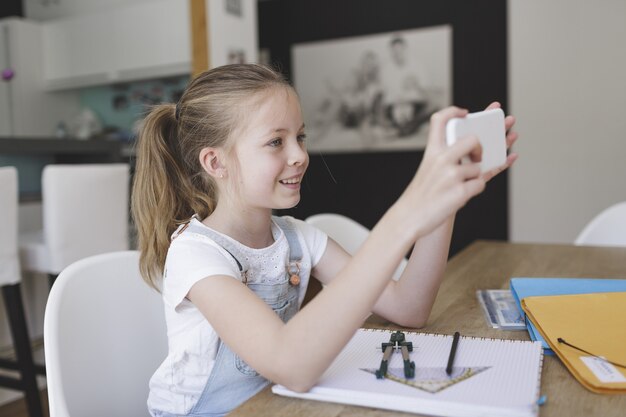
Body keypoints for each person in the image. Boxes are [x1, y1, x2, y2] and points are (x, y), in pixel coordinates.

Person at [131, 63, 518, 417]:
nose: (300, 155)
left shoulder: (299, 239)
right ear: (216, 163)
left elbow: (410, 307)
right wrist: (407, 214)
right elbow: (290, 364)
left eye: (300, 136)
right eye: (275, 142)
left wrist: (443, 204)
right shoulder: (195, 254)